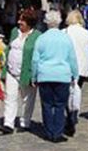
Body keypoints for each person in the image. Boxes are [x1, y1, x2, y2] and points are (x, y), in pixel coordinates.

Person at [32, 10, 79, 143]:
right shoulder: (65, 38)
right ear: (59, 22)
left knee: (46, 104)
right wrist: (75, 74)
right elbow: (72, 58)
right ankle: (57, 132)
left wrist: (34, 76)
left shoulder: (41, 38)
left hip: (45, 75)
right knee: (59, 104)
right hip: (62, 75)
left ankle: (49, 131)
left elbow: (35, 60)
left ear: (46, 22)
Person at [0, 8, 41, 134]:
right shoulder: (14, 32)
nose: (19, 22)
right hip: (11, 71)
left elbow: (37, 56)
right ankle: (8, 123)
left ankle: (25, 122)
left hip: (26, 72)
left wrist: (35, 76)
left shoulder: (37, 36)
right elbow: (9, 48)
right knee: (10, 96)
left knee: (27, 99)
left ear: (29, 22)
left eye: (22, 20)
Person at [64, 9, 88, 136]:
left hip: (69, 65)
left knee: (68, 91)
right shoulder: (86, 33)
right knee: (77, 89)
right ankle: (75, 110)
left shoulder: (64, 32)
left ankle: (70, 111)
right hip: (82, 65)